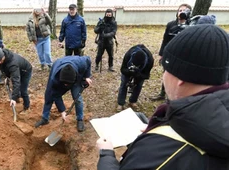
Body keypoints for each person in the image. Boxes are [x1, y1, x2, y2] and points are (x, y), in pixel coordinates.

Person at [96, 25, 229, 169]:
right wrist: (159, 127)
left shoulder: (157, 156)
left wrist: (106, 154)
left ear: (180, 77)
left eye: (165, 69)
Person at [35, 56, 92, 132]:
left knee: (77, 99)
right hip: (58, 68)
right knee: (49, 95)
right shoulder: (54, 79)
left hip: (75, 78)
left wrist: (87, 76)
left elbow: (88, 60)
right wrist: (62, 111)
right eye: (64, 84)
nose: (66, 86)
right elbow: (56, 95)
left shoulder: (82, 62)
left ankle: (80, 119)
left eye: (67, 84)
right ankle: (45, 118)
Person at [151, 3, 192, 101]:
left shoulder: (191, 25)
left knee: (179, 77)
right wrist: (161, 54)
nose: (181, 12)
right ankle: (162, 93)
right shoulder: (171, 24)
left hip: (183, 56)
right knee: (167, 74)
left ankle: (175, 97)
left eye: (184, 11)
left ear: (189, 13)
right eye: (180, 10)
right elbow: (165, 40)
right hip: (170, 54)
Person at [0, 47, 32, 114]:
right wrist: (6, 77)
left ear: (3, 55)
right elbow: (3, 69)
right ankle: (17, 98)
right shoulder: (0, 59)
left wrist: (12, 99)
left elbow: (16, 81)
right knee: (14, 86)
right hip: (16, 71)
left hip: (25, 71)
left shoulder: (13, 64)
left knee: (23, 90)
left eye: (0, 60)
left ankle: (27, 107)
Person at [117, 44, 153, 111]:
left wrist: (138, 75)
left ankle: (133, 101)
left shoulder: (150, 60)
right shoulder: (129, 54)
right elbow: (122, 69)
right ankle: (120, 103)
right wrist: (129, 72)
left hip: (141, 72)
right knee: (124, 83)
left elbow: (146, 75)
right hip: (128, 69)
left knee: (139, 85)